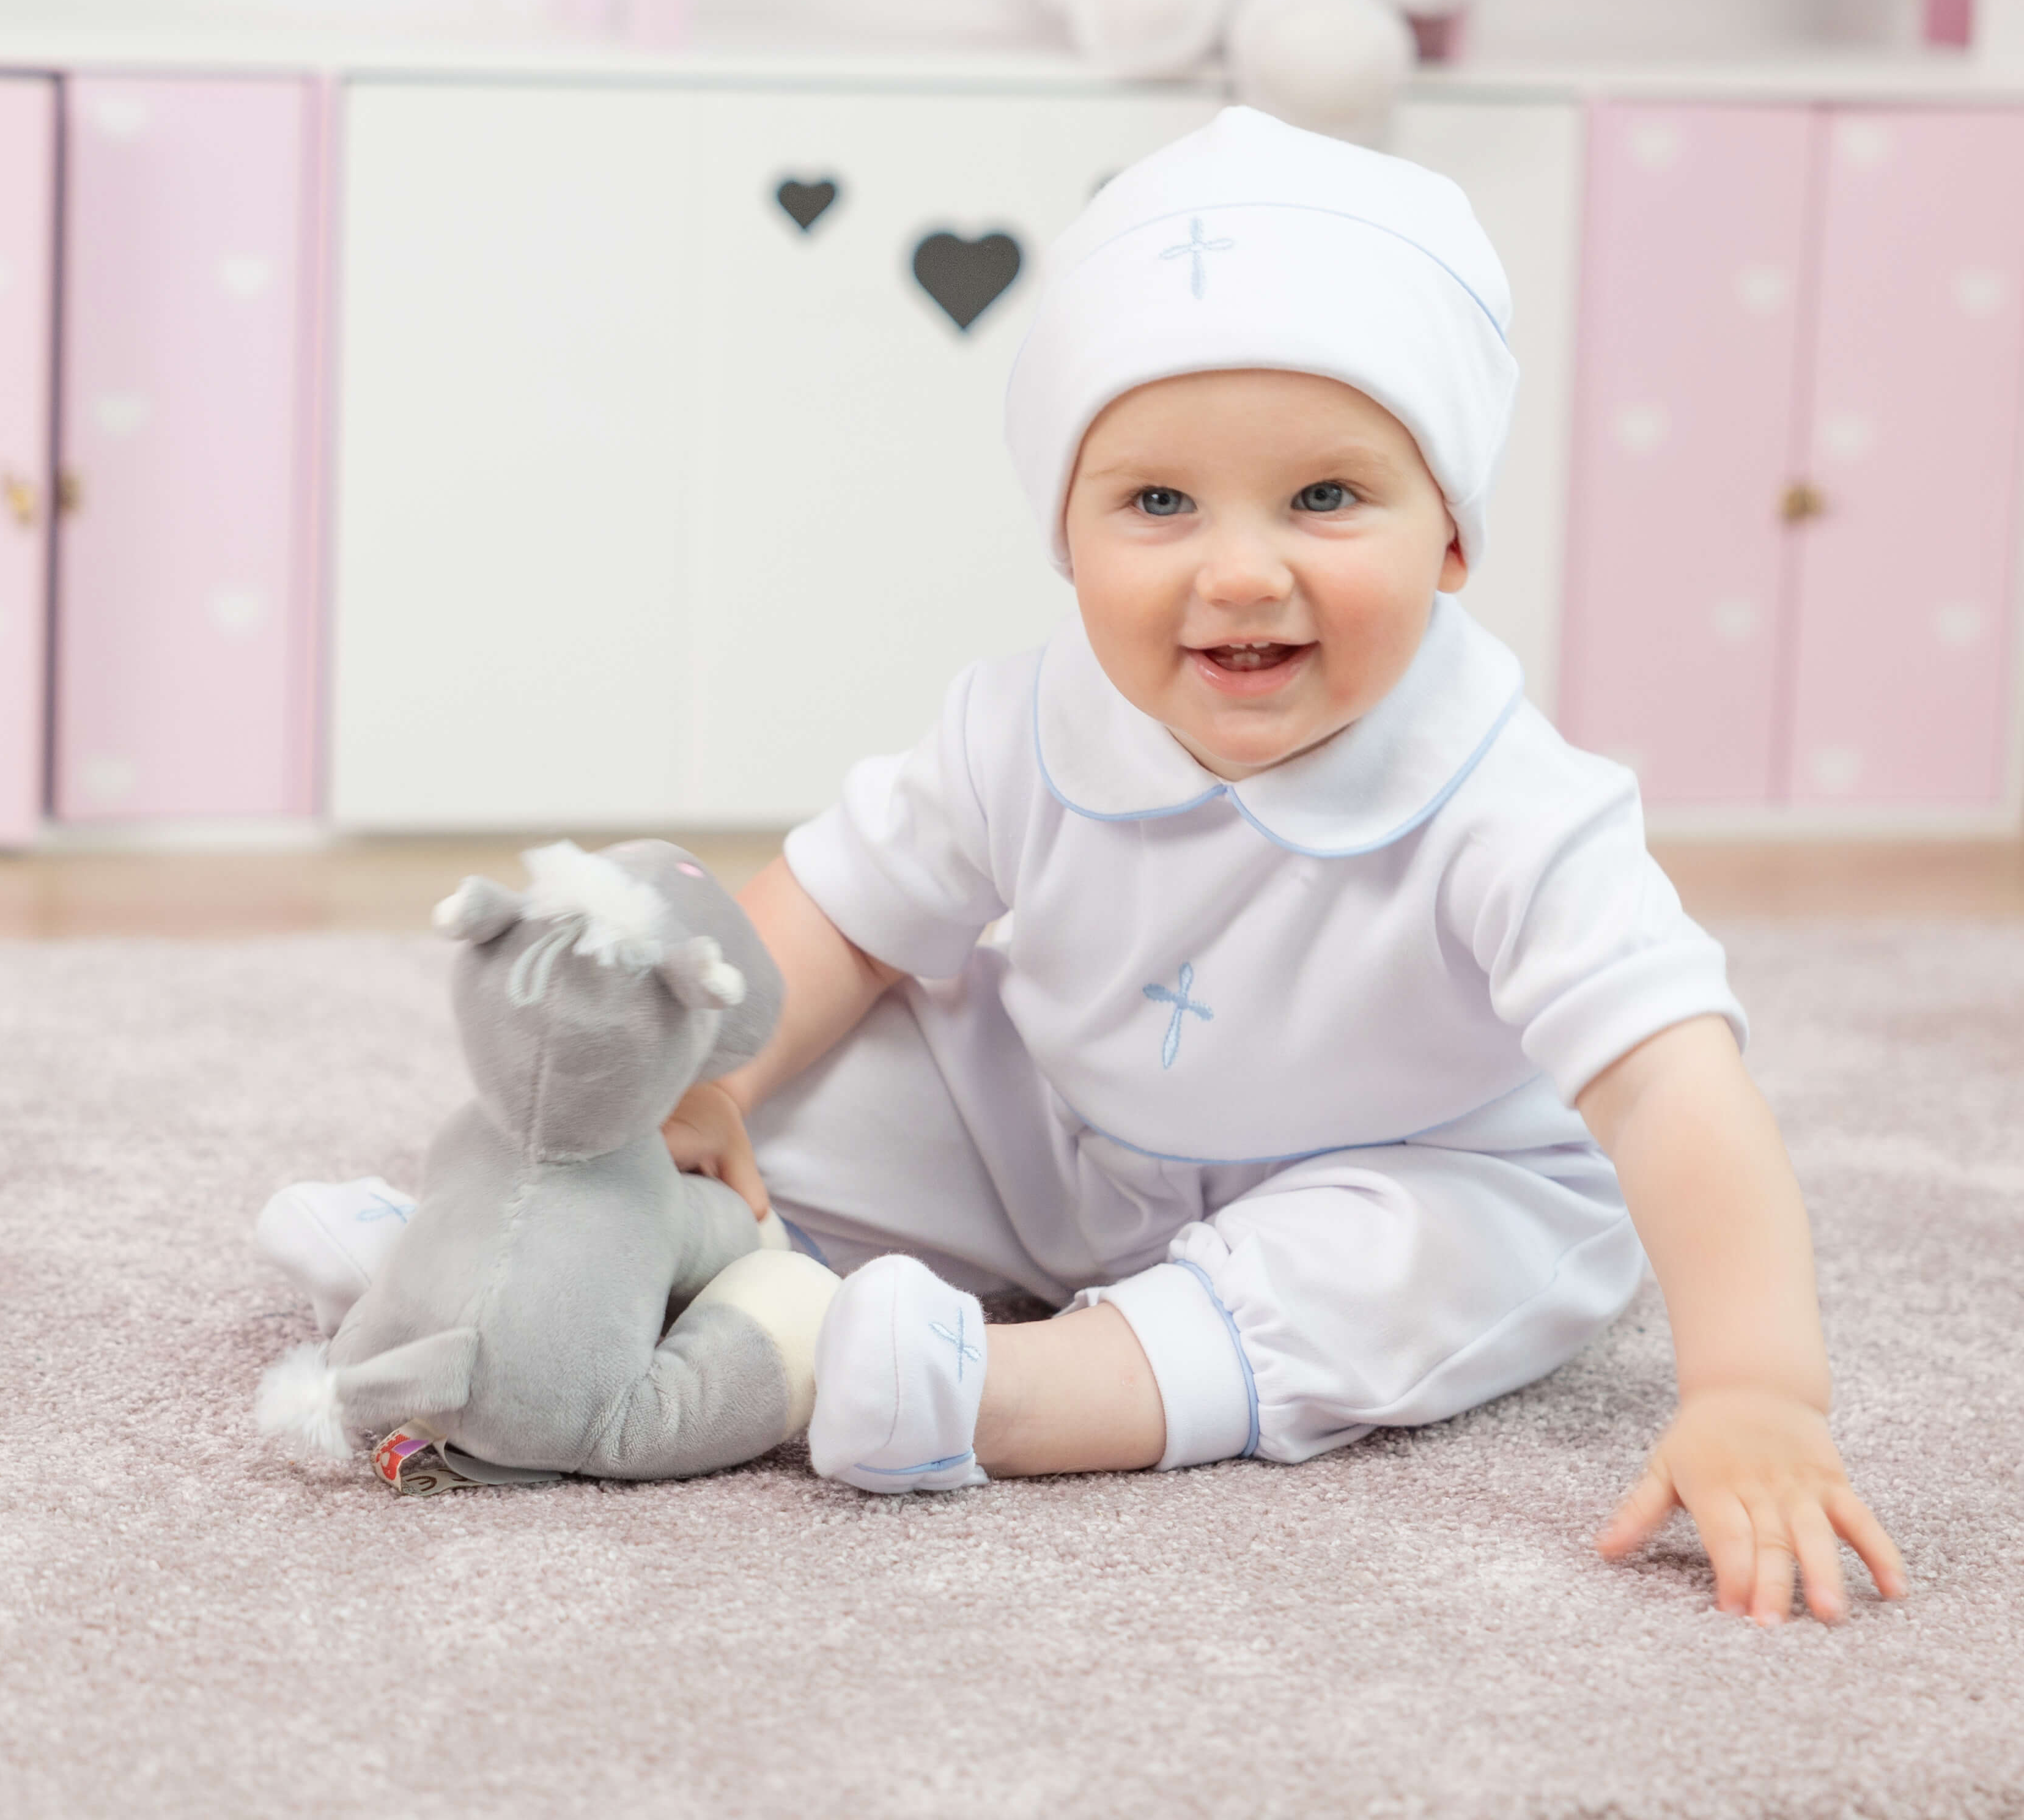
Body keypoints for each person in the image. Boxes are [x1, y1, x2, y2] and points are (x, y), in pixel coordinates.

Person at [265, 108, 1904, 1629]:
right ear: (1071, 535)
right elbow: (840, 912)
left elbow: (1678, 1095)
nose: (1241, 568)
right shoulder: (1029, 717)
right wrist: (714, 1094)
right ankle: (531, 1244)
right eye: (1160, 502)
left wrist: (1758, 1388)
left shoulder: (1513, 804)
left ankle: (980, 1391)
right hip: (1070, 1133)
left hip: (1414, 1167)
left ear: (1453, 534)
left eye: (1328, 495)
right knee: (812, 1086)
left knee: (1385, 1274)